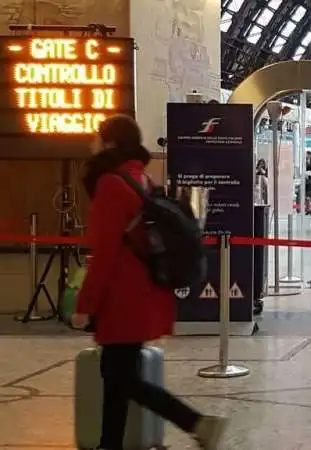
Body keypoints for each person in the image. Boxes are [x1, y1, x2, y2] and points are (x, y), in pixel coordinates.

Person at [71, 115, 227, 450]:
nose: (92, 144)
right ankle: (109, 444)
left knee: (121, 377)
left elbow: (105, 252)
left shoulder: (111, 184)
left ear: (110, 142)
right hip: (145, 292)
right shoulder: (140, 177)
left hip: (123, 299)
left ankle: (196, 422)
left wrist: (85, 305)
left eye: (97, 137)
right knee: (116, 377)